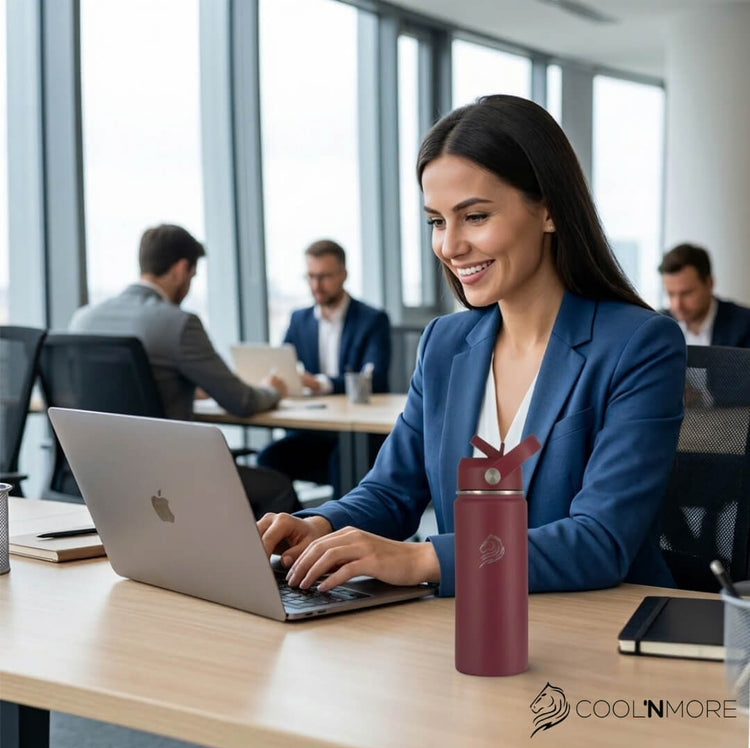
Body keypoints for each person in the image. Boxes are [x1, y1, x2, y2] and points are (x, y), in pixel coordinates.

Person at [257, 94, 686, 598]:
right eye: (437, 221)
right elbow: (392, 489)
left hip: (593, 634)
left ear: (547, 209)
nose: (449, 246)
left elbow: (599, 540)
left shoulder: (639, 345)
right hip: (465, 629)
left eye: (475, 216)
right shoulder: (444, 344)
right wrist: (320, 527)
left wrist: (421, 557)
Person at [69, 223, 300, 516]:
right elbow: (242, 401)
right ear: (180, 269)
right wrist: (272, 389)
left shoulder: (83, 319)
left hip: (94, 475)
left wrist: (183, 386)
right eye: (192, 275)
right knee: (278, 488)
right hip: (163, 480)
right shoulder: (177, 323)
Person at [256, 239, 391, 493]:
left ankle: (340, 529)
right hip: (313, 430)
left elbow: (375, 379)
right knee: (268, 460)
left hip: (358, 433)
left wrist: (319, 383)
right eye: (311, 277)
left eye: (325, 277)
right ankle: (294, 529)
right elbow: (281, 364)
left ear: (343, 275)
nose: (316, 285)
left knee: (343, 463)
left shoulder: (372, 319)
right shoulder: (299, 319)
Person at [658, 243, 750, 347]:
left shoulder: (745, 326)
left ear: (709, 283)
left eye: (686, 293)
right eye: (670, 294)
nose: (677, 305)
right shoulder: (658, 326)